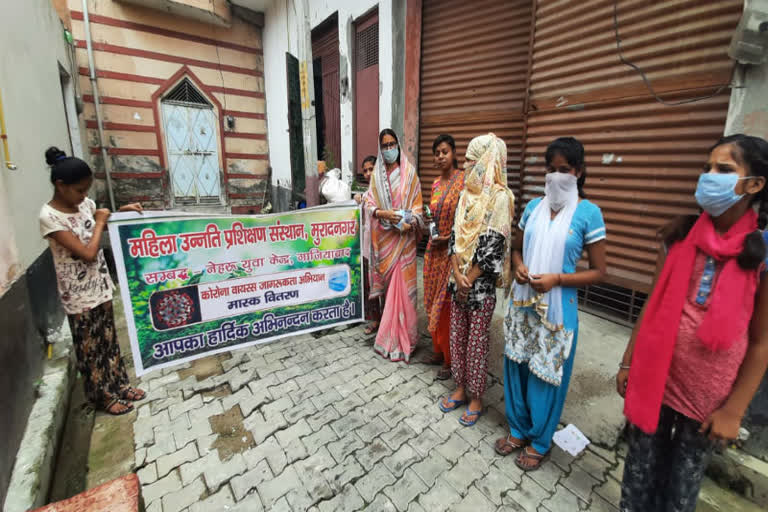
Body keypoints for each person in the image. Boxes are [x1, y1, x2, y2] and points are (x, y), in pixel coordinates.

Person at [617, 134, 768, 512]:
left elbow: (761, 342)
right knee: (638, 473)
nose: (709, 177)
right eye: (707, 168)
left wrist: (734, 411)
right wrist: (627, 362)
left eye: (724, 170)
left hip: (707, 399)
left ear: (754, 185)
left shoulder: (761, 256)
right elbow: (651, 304)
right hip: (656, 378)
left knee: (680, 488)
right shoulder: (680, 236)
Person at [496, 137, 606, 469]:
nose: (557, 176)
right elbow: (516, 247)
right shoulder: (532, 207)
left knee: (547, 373)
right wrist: (518, 265)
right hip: (523, 301)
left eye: (565, 170)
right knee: (517, 366)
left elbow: (600, 271)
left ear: (579, 172)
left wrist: (557, 279)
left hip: (559, 309)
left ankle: (540, 441)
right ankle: (518, 429)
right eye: (551, 169)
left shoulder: (589, 213)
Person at [39, 147, 146, 415]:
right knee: (91, 350)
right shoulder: (50, 218)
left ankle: (120, 386)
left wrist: (120, 214)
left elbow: (96, 226)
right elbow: (87, 253)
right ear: (60, 185)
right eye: (79, 190)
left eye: (86, 190)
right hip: (78, 297)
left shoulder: (85, 205)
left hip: (100, 287)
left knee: (109, 342)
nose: (84, 196)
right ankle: (102, 397)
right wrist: (100, 221)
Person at [438, 133, 515, 426]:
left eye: (472, 160)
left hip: (479, 288)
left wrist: (467, 279)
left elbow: (494, 245)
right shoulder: (466, 194)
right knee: (457, 337)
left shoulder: (499, 198)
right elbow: (455, 237)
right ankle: (459, 388)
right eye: (468, 160)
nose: (467, 165)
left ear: (486, 161)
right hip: (458, 280)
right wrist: (457, 274)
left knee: (477, 343)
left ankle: (476, 398)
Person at [363, 129, 424, 362]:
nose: (389, 149)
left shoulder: (410, 175)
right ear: (380, 149)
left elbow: (418, 209)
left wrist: (411, 223)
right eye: (385, 145)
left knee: (404, 292)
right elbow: (369, 203)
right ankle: (389, 338)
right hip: (386, 242)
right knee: (391, 292)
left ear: (398, 145)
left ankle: (406, 339)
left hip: (405, 241)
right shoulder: (377, 176)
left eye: (392, 144)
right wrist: (382, 212)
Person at [423, 135, 465, 379]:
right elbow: (434, 214)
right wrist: (430, 221)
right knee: (431, 303)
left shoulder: (463, 181)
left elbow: (466, 218)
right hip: (433, 250)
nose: (440, 156)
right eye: (436, 152)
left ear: (454, 153)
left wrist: (449, 236)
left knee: (446, 307)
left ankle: (450, 360)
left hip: (452, 253)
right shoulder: (436, 184)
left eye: (444, 151)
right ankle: (438, 351)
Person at [354, 155, 382, 334]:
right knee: (370, 286)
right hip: (366, 247)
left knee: (382, 286)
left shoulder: (383, 194)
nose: (368, 173)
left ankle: (386, 321)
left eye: (371, 169)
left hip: (381, 247)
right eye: (365, 170)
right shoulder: (365, 195)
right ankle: (376, 320)